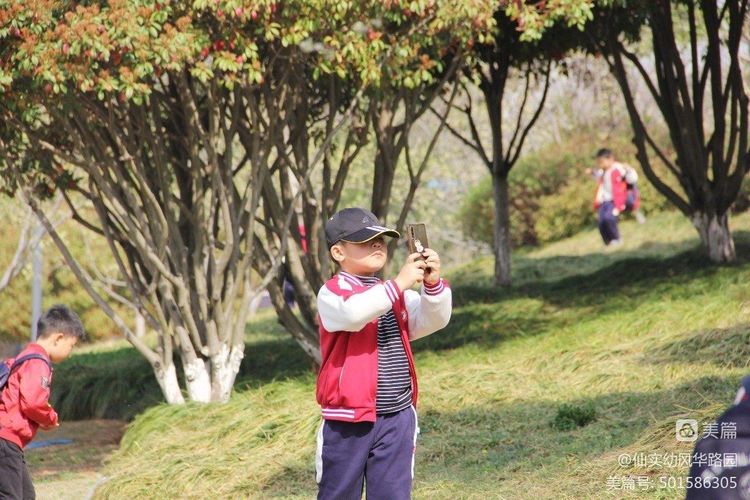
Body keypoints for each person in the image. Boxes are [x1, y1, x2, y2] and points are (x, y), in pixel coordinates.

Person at [315, 207, 452, 500]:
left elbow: (432, 320)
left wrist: (432, 285)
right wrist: (399, 283)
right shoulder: (333, 292)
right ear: (338, 252)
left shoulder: (392, 293)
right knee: (339, 494)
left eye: (380, 239)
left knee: (393, 494)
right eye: (364, 241)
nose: (377, 244)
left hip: (398, 417)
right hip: (347, 421)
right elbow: (354, 314)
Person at [0, 305, 84, 500]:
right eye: (71, 345)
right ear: (58, 338)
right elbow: (33, 402)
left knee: (26, 495)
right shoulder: (38, 362)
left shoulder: (26, 356)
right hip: (5, 440)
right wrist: (49, 418)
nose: (70, 352)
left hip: (9, 441)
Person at [590, 148, 629, 246]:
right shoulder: (602, 172)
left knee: (609, 218)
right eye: (599, 163)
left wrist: (628, 169)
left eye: (602, 162)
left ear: (611, 159)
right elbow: (596, 176)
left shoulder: (617, 169)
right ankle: (607, 242)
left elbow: (629, 178)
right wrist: (591, 172)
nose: (600, 165)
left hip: (613, 201)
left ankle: (616, 238)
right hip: (603, 201)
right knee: (601, 222)